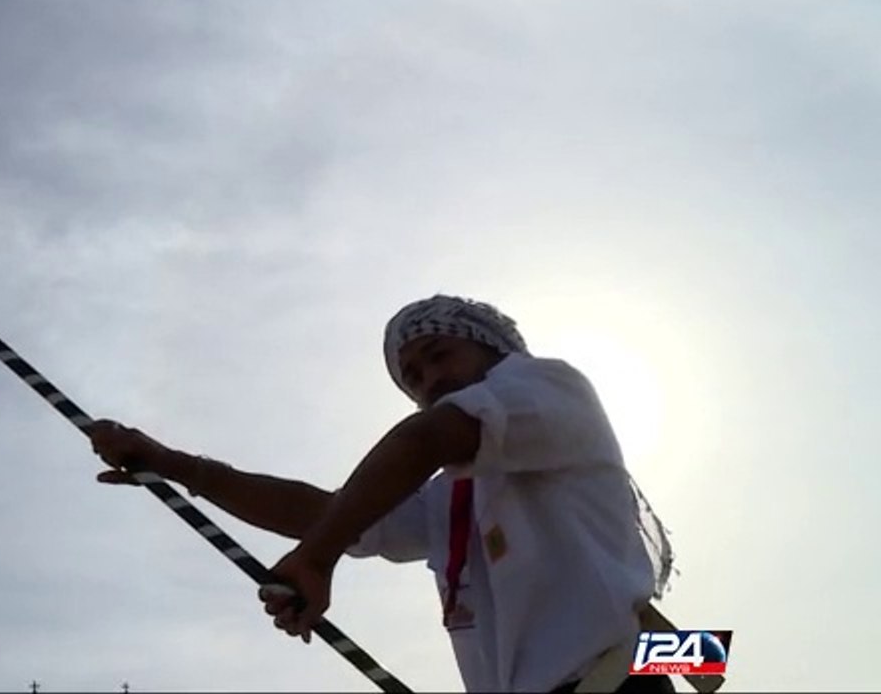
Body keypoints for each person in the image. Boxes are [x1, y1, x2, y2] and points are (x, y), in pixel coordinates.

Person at [88, 294, 677, 693]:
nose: (428, 380)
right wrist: (175, 465)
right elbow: (327, 512)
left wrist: (317, 558)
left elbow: (425, 439)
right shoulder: (454, 493)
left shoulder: (545, 385)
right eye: (413, 377)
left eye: (439, 355)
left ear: (494, 348)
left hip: (621, 681)